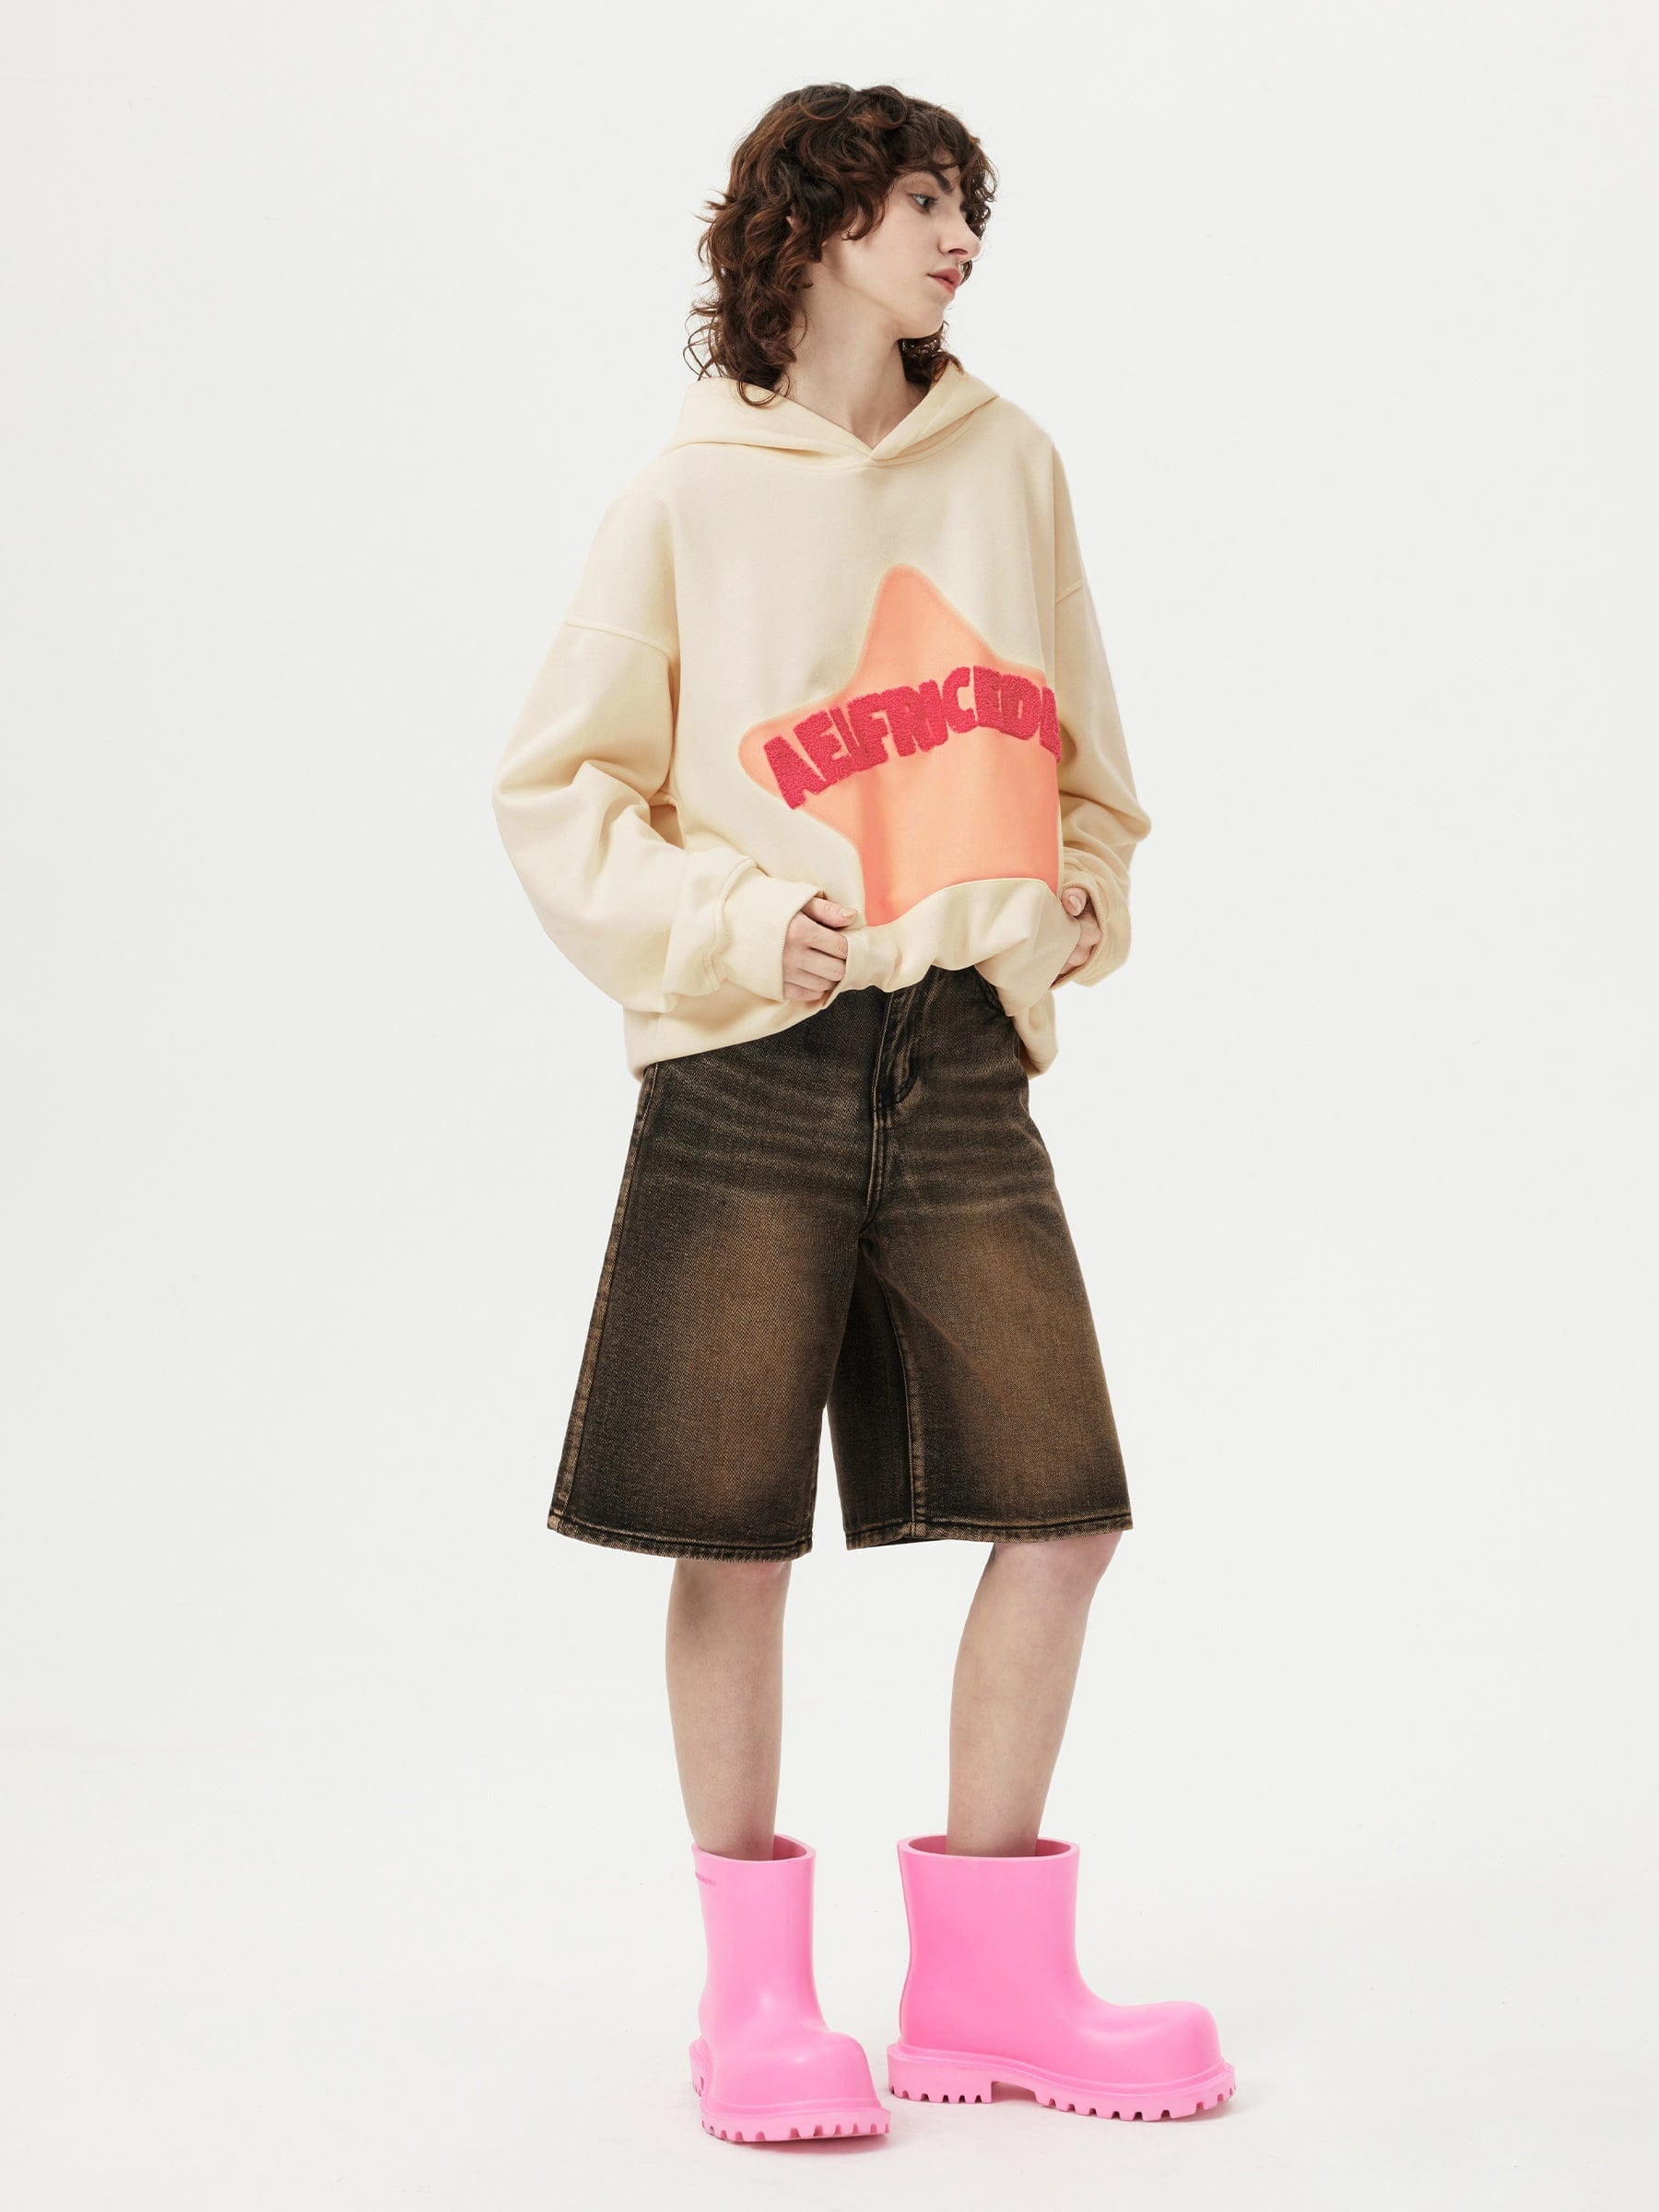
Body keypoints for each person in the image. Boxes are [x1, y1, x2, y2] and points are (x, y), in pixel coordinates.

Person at [491, 81, 1234, 2146]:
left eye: (967, 204)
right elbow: (556, 792)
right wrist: (738, 927)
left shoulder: (1013, 464)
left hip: (963, 1053)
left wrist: (1080, 902)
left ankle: (991, 1987)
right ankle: (754, 2008)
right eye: (920, 202)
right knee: (728, 1535)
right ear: (814, 229)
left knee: (1063, 1512)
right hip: (751, 1060)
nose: (959, 238)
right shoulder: (683, 498)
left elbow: (1091, 769)